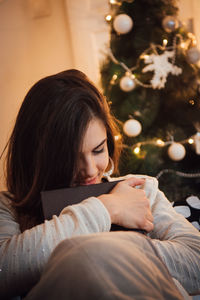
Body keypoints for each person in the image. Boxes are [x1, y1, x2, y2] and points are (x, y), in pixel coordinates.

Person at [0, 69, 199, 300]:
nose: (90, 170)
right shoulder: (8, 207)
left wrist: (119, 252)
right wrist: (107, 209)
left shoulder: (139, 190)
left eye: (98, 150)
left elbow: (196, 259)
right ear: (37, 158)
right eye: (70, 158)